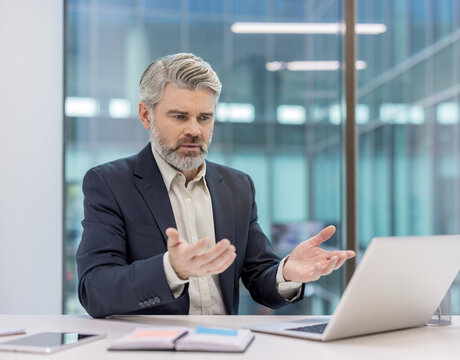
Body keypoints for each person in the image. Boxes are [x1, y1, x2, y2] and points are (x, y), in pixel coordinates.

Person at [76, 53, 355, 318]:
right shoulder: (110, 183)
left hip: (227, 346)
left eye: (204, 118)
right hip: (154, 349)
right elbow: (95, 290)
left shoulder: (237, 186)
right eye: (179, 116)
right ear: (146, 116)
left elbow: (259, 277)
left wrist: (287, 272)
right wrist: (171, 269)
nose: (195, 130)